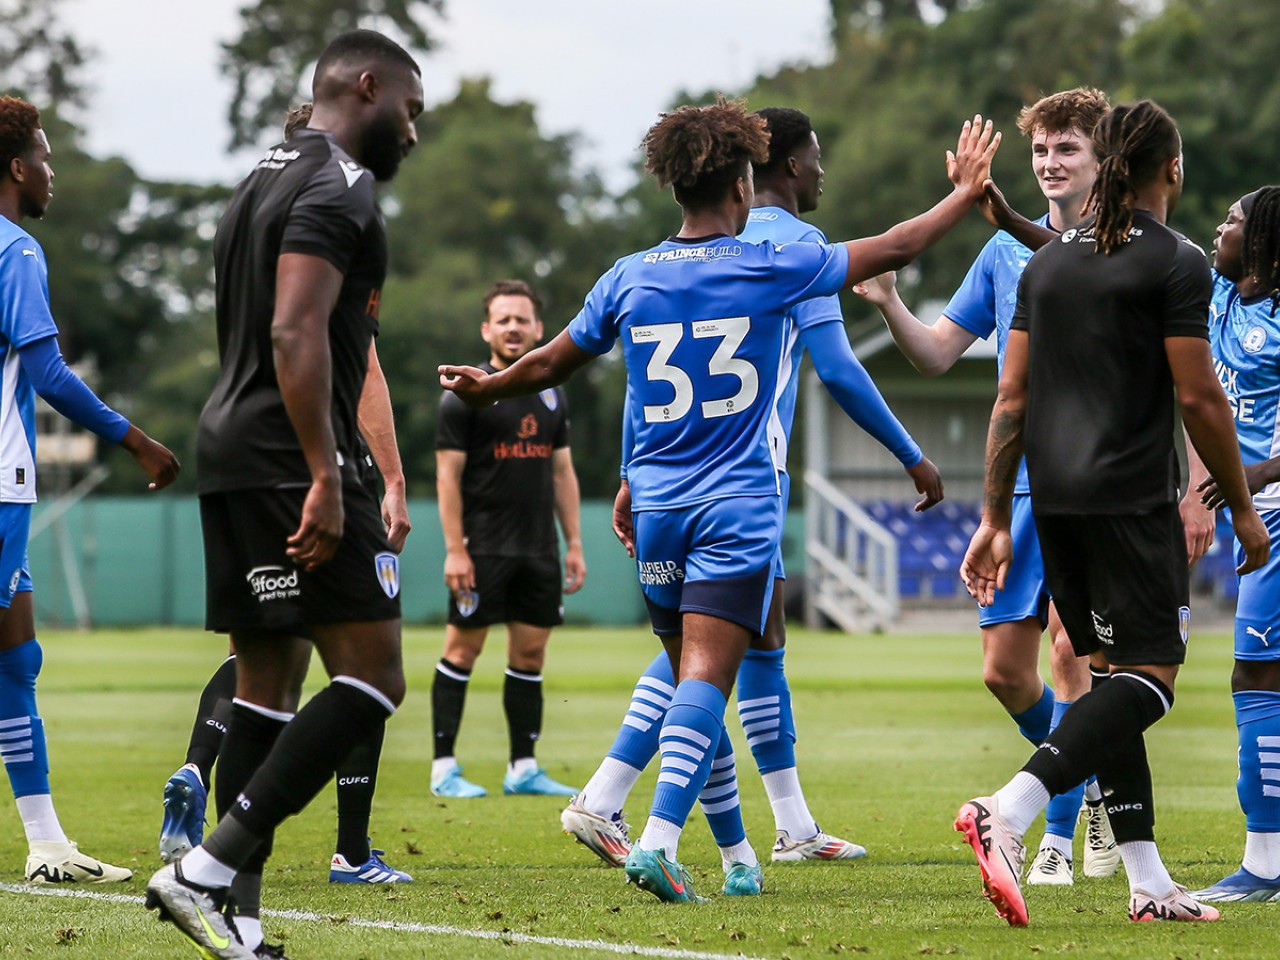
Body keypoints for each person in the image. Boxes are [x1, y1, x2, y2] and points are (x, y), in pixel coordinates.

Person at [440, 96, 1000, 902]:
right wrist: (966, 193)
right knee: (706, 680)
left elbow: (550, 364)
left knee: (685, 675)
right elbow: (899, 245)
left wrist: (488, 383)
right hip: (736, 502)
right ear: (743, 184)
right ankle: (661, 839)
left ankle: (733, 851)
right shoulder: (771, 264)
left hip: (657, 504)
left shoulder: (627, 277)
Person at [560, 106, 944, 879]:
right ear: (783, 168)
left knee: (755, 647)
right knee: (708, 657)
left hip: (671, 471)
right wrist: (911, 454)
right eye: (817, 155)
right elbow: (836, 366)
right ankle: (611, 796)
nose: (822, 169)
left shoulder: (662, 264)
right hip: (743, 478)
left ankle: (777, 831)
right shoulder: (797, 247)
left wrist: (633, 471)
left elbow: (638, 381)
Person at [143, 30, 423, 960]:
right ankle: (206, 871)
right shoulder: (341, 185)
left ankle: (239, 917)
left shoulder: (260, 174)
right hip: (288, 456)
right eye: (411, 111)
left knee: (266, 687)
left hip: (228, 450)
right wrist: (323, 471)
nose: (413, 134)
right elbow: (295, 331)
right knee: (375, 677)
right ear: (367, 86)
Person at [955, 99, 1269, 927]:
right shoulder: (1179, 261)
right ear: (1173, 169)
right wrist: (1241, 508)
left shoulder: (1049, 263)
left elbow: (1010, 399)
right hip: (1130, 501)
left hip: (1050, 500)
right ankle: (1011, 810)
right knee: (1150, 683)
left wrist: (994, 516)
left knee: (1102, 678)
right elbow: (1200, 398)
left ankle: (1148, 880)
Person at [857, 88, 1115, 885]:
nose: (1050, 161)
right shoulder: (1001, 255)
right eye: (1041, 149)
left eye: (1067, 148)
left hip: (1097, 482)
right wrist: (891, 299)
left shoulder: (1121, 244)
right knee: (1006, 671)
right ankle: (1093, 773)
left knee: (1075, 655)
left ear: (1103, 158)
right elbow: (936, 355)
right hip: (1018, 489)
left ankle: (1051, 840)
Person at [0, 96, 180, 885]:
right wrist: (134, 437)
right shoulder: (18, 252)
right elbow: (48, 375)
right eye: (44, 156)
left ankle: (46, 846)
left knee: (15, 660)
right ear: (15, 167)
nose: (51, 173)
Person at [431, 278, 585, 798]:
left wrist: (575, 544)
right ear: (486, 329)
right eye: (503, 319)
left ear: (539, 328)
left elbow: (563, 474)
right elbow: (446, 478)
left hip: (538, 550)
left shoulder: (550, 393)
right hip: (484, 549)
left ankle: (523, 767)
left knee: (530, 657)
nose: (514, 327)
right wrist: (455, 548)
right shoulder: (466, 396)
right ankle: (443, 768)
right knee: (462, 649)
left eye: (522, 319)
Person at [1186, 186, 1280, 903]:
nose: (1221, 228)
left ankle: (1266, 864)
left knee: (1255, 677)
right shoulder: (1213, 291)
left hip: (1277, 514)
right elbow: (1105, 260)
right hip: (1256, 517)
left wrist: (1254, 473)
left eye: (1235, 221)